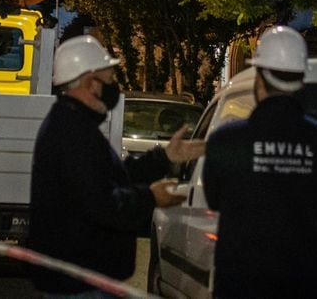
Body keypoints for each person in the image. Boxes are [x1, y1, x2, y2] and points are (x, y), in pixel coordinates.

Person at [25, 35, 203, 297]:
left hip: (81, 278)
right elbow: (101, 203)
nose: (113, 88)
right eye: (108, 80)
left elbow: (111, 177)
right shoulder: (73, 132)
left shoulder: (73, 124)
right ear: (90, 82)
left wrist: (164, 157)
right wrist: (151, 197)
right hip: (81, 283)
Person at [202, 26, 317, 299]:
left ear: (259, 77)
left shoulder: (226, 140)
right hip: (303, 284)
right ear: (301, 79)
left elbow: (214, 199)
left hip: (241, 284)